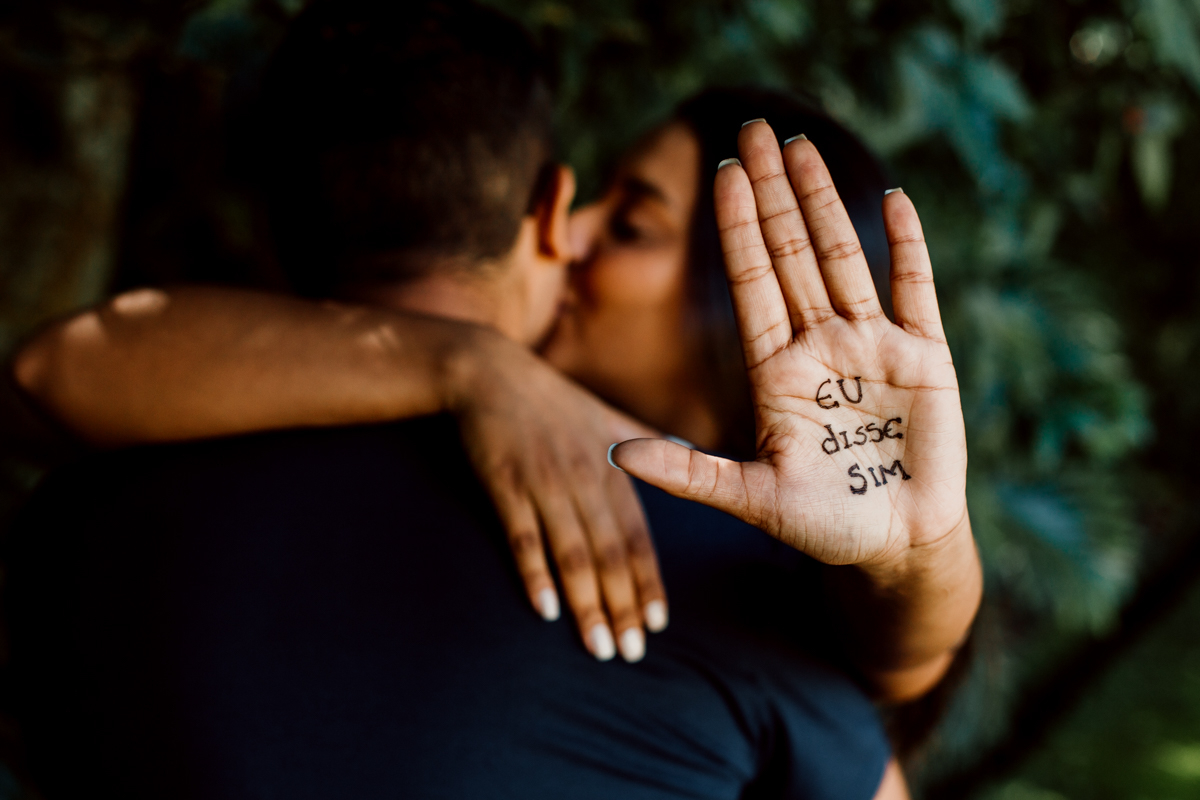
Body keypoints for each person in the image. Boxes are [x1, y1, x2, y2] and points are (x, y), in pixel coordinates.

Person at [6, 2, 979, 797]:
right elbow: (61, 370)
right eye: (587, 202)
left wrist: (921, 546)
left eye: (630, 225)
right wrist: (470, 361)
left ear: (738, 307)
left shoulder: (85, 515)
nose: (572, 237)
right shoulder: (760, 659)